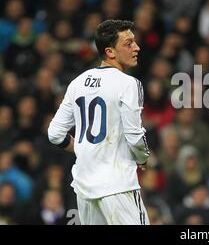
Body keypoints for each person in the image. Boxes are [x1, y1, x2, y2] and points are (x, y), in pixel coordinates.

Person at [47, 20, 151, 225]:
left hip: (85, 187)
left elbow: (55, 133)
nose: (136, 48)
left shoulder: (77, 83)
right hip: (118, 185)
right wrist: (143, 158)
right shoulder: (129, 84)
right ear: (110, 52)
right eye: (128, 43)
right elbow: (135, 135)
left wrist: (84, 149)